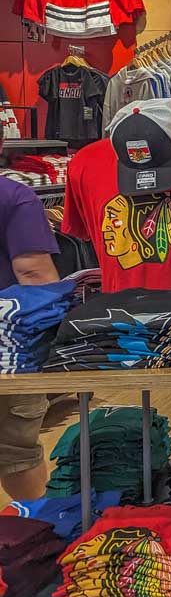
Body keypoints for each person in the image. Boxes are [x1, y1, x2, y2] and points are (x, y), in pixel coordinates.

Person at [0, 134, 61, 500]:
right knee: (15, 453)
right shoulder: (13, 196)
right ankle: (32, 527)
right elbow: (34, 273)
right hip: (7, 348)